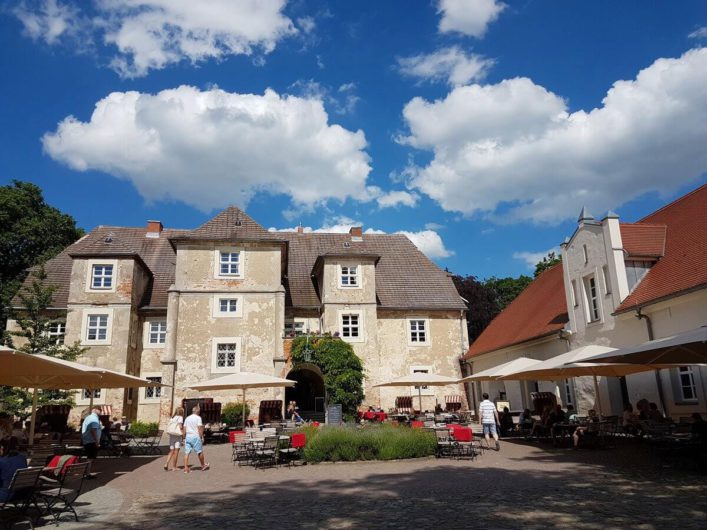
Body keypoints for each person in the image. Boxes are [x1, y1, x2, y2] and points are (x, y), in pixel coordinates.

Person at [183, 406, 209, 473]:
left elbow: (184, 429)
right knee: (199, 451)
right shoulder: (198, 418)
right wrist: (202, 437)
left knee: (187, 453)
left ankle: (186, 468)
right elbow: (200, 428)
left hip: (188, 436)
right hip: (195, 436)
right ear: (198, 412)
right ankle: (203, 465)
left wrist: (184, 437)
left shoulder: (187, 418)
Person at [164, 407, 184, 471]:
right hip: (177, 435)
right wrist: (183, 433)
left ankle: (166, 464)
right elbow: (180, 426)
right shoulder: (180, 417)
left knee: (171, 450)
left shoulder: (172, 417)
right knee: (176, 451)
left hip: (171, 434)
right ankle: (174, 467)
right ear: (181, 412)